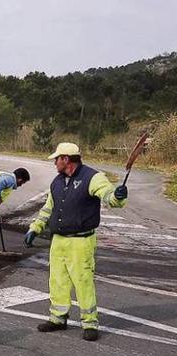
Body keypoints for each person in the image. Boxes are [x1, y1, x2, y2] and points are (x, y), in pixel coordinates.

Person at [24, 142, 128, 341]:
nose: (54, 162)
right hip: (59, 241)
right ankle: (57, 318)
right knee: (57, 281)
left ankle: (90, 323)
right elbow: (48, 208)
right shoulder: (57, 181)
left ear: (66, 159)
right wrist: (34, 228)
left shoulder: (93, 177)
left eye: (57, 159)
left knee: (83, 282)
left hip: (81, 242)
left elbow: (108, 196)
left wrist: (118, 197)